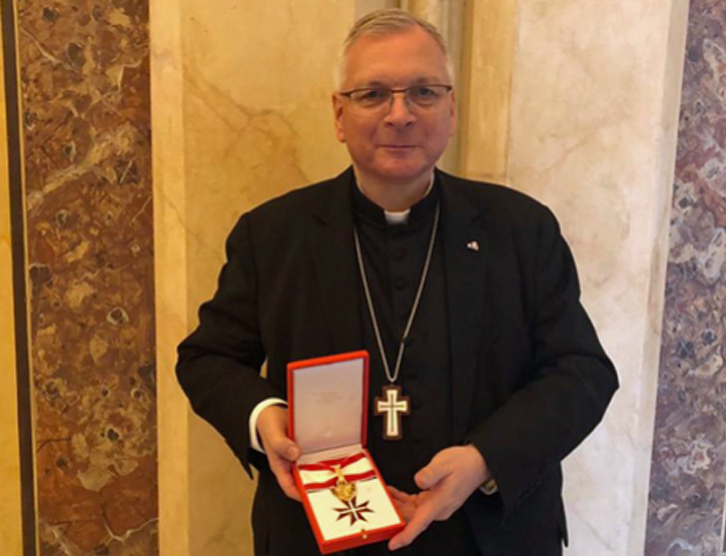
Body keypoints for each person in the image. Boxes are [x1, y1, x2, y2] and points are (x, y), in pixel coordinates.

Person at [176, 9, 618, 556]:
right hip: (318, 534)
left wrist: (485, 460)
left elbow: (582, 372)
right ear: (339, 114)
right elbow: (208, 359)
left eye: (424, 93)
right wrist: (266, 418)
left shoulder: (522, 230)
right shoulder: (272, 235)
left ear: (452, 110)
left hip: (487, 534)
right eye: (373, 94)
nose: (400, 114)